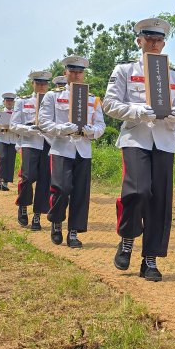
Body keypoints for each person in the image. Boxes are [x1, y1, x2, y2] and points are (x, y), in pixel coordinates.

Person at [103, 17, 175, 281]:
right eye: (148, 39)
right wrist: (138, 110)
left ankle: (150, 259)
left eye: (158, 40)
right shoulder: (124, 71)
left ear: (164, 43)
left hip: (163, 141)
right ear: (139, 40)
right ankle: (128, 237)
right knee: (138, 191)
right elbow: (109, 104)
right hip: (135, 138)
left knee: (160, 201)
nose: (153, 44)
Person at [37, 56, 105, 248]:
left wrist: (92, 131)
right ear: (65, 72)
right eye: (72, 71)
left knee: (80, 193)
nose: (76, 75)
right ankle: (57, 222)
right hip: (61, 148)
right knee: (61, 188)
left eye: (80, 72)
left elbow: (100, 125)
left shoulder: (93, 99)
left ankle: (73, 232)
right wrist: (62, 129)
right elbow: (43, 122)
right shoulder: (53, 96)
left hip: (83, 149)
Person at [10, 70, 53, 230]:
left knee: (45, 180)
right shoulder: (22, 101)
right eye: (38, 83)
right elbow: (13, 125)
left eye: (44, 83)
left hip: (48, 143)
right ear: (33, 84)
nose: (42, 86)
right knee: (27, 177)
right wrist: (30, 129)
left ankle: (37, 216)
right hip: (29, 142)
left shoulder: (54, 101)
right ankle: (23, 205)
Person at [0, 93, 19, 191]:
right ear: (4, 102)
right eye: (7, 101)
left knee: (10, 160)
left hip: (13, 138)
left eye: (11, 101)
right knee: (2, 157)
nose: (9, 102)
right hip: (1, 137)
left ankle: (6, 182)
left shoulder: (17, 113)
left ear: (13, 102)